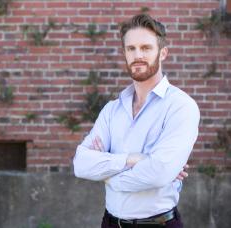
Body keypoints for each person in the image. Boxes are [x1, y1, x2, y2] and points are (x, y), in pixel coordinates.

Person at [73, 14, 200, 228]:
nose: (137, 55)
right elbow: (81, 164)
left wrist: (107, 176)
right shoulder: (112, 110)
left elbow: (158, 173)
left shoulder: (180, 106)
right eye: (131, 48)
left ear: (163, 53)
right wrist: (134, 159)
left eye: (146, 48)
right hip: (111, 223)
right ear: (124, 53)